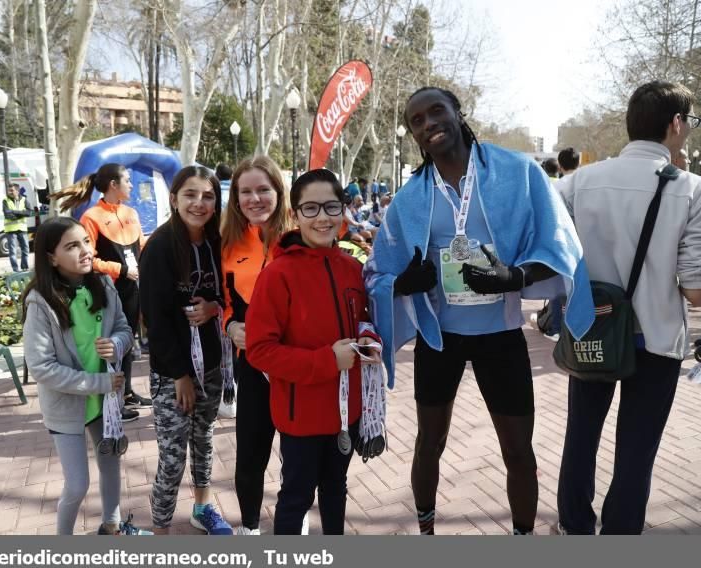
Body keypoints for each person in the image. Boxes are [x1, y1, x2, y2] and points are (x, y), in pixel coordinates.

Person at [365, 86, 594, 535]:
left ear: (457, 113)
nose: (428, 123)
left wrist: (518, 276)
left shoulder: (516, 172)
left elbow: (560, 238)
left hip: (500, 335)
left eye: (436, 111)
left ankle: (523, 538)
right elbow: (378, 270)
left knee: (517, 451)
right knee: (429, 441)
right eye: (417, 120)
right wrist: (403, 283)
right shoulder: (412, 196)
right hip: (440, 337)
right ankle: (427, 532)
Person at [556, 81, 701, 535]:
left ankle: (575, 527)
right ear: (675, 124)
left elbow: (551, 255)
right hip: (654, 340)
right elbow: (696, 289)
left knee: (580, 439)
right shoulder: (691, 190)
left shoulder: (577, 181)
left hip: (590, 330)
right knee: (636, 453)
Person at [246, 168, 381, 535]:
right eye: (310, 208)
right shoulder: (278, 274)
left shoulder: (353, 267)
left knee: (336, 491)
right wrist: (326, 361)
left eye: (331, 206)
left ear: (343, 210)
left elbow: (364, 320)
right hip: (300, 417)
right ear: (295, 214)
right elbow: (259, 350)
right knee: (296, 497)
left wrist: (369, 340)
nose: (322, 217)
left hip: (346, 412)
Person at [22, 217, 138, 535]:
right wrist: (99, 382)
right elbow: (42, 367)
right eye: (72, 246)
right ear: (50, 257)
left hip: (105, 405)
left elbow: (124, 330)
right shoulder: (41, 303)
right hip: (68, 409)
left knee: (111, 462)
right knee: (77, 485)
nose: (85, 251)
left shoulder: (103, 285)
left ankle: (112, 527)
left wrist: (115, 345)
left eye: (86, 241)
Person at [139, 165, 233, 536]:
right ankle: (160, 531)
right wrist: (179, 375)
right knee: (173, 457)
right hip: (173, 375)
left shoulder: (216, 242)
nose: (199, 203)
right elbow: (155, 321)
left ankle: (203, 509)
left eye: (208, 196)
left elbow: (224, 294)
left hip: (211, 364)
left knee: (204, 441)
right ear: (174, 199)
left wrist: (213, 308)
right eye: (190, 195)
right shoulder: (160, 247)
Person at [220, 156, 292, 535]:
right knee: (250, 453)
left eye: (263, 189)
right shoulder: (228, 243)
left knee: (299, 454)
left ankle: (293, 521)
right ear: (235, 198)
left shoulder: (301, 235)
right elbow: (225, 303)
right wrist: (230, 325)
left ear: (278, 192)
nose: (255, 198)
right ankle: (249, 529)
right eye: (245, 191)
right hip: (251, 366)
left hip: (298, 364)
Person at [51, 164, 149, 423]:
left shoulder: (131, 212)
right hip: (109, 289)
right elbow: (88, 259)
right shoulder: (91, 217)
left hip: (133, 286)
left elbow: (141, 245)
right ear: (113, 185)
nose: (131, 185)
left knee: (128, 341)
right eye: (127, 180)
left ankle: (126, 392)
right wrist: (121, 269)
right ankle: (112, 400)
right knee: (111, 344)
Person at [2, 183, 31, 272]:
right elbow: (7, 214)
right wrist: (21, 213)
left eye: (12, 190)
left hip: (22, 229)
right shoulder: (5, 201)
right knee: (12, 251)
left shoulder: (24, 200)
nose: (10, 192)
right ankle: (15, 269)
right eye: (9, 190)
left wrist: (14, 211)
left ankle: (24, 267)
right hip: (10, 230)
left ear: (17, 191)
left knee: (25, 249)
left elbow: (28, 213)